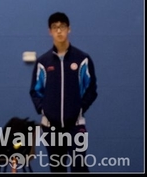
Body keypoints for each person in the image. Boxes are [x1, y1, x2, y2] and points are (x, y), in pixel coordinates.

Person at [29, 12, 98, 172]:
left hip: (75, 126)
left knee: (79, 167)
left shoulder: (82, 59)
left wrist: (79, 108)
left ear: (69, 29)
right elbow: (35, 91)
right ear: (50, 31)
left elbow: (91, 88)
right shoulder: (43, 62)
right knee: (57, 169)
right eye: (55, 27)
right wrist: (44, 109)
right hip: (51, 128)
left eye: (62, 27)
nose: (59, 31)